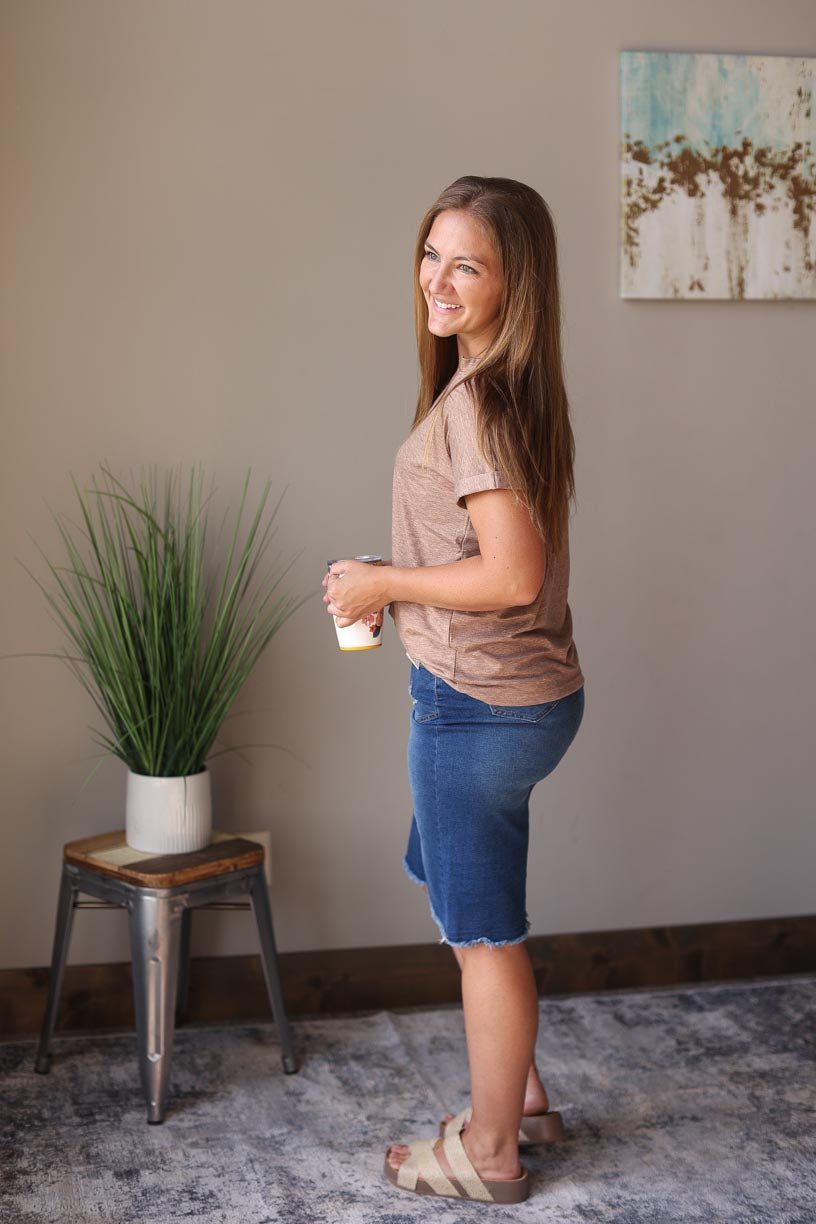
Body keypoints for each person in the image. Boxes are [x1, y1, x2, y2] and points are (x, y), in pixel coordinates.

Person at [322, 175, 585, 1205]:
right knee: (439, 865)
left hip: (474, 706)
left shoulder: (477, 403)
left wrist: (385, 580)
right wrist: (403, 590)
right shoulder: (508, 388)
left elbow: (512, 575)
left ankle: (490, 1152)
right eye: (431, 255)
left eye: (466, 262)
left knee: (483, 933)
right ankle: (516, 1094)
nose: (437, 280)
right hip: (531, 698)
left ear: (513, 280)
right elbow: (487, 557)